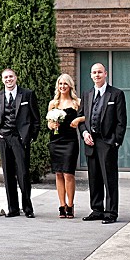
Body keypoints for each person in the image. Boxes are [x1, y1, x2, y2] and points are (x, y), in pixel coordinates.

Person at [77, 63, 127, 224]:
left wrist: (115, 142)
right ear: (90, 75)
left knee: (109, 179)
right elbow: (81, 119)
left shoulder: (116, 94)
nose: (97, 75)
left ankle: (111, 212)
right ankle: (97, 210)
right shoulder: (87, 94)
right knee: (94, 178)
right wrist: (84, 133)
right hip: (90, 142)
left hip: (107, 142)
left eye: (99, 72)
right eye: (94, 72)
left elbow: (121, 121)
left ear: (105, 74)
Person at [0, 68, 40, 218]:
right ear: (2, 79)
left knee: (23, 174)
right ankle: (13, 208)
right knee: (8, 174)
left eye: (11, 76)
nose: (8, 79)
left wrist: (30, 137)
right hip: (4, 139)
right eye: (5, 77)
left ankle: (28, 208)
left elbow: (35, 119)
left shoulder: (27, 94)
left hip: (20, 139)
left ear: (16, 77)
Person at [46, 74, 83, 219]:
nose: (62, 86)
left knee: (68, 173)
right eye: (60, 84)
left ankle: (70, 204)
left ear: (70, 86)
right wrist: (51, 125)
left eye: (65, 84)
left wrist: (78, 119)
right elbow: (48, 123)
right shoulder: (53, 103)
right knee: (58, 173)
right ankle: (61, 205)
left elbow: (89, 115)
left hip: (70, 141)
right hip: (55, 141)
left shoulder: (77, 102)